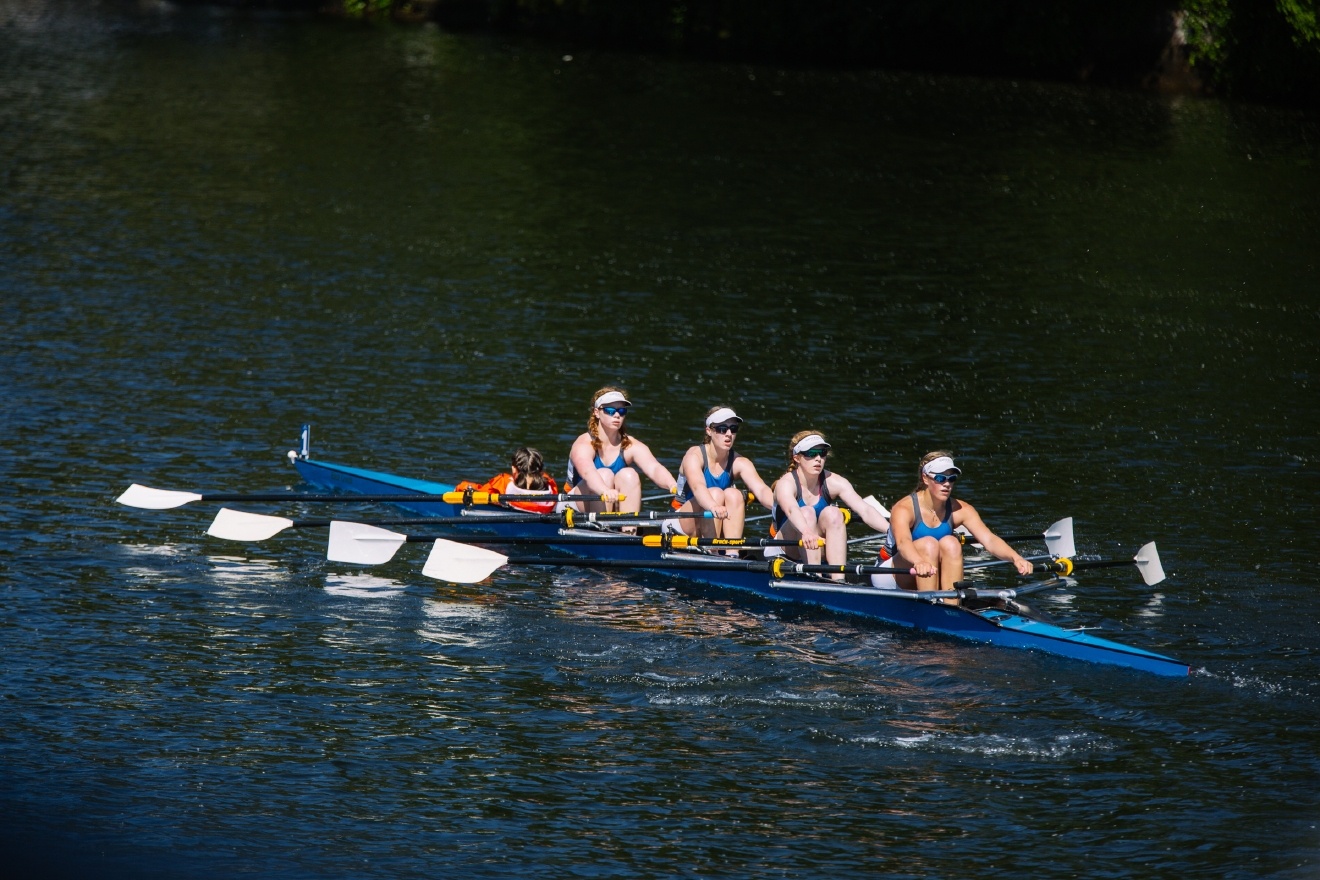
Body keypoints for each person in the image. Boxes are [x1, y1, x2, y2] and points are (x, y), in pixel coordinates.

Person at [883, 451, 1033, 602]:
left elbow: (989, 539)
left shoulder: (961, 509)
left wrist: (1016, 558)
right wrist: (918, 561)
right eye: (940, 478)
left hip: (929, 572)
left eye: (951, 479)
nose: (947, 484)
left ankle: (952, 608)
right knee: (928, 544)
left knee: (952, 543)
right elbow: (903, 543)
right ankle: (929, 608)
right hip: (891, 575)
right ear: (925, 478)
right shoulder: (904, 508)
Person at [770, 431, 891, 580]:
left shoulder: (834, 481)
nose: (818, 459)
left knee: (834, 513)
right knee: (806, 513)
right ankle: (815, 577)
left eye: (822, 453)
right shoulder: (786, 483)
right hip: (783, 549)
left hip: (816, 546)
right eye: (811, 453)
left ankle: (838, 580)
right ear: (797, 458)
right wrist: (807, 531)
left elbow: (865, 510)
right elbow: (791, 509)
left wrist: (892, 531)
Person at [566, 387, 678, 514]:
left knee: (630, 475)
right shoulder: (583, 443)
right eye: (609, 410)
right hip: (573, 506)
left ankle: (629, 530)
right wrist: (604, 490)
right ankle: (600, 530)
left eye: (621, 410)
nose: (617, 415)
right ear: (596, 412)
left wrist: (672, 485)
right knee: (604, 474)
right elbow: (588, 473)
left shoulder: (630, 445)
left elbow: (654, 468)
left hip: (609, 504)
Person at [670, 406, 775, 541]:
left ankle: (732, 552)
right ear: (709, 431)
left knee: (734, 494)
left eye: (733, 428)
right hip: (680, 521)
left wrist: (787, 508)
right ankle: (712, 551)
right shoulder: (694, 455)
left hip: (714, 518)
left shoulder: (740, 462)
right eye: (722, 429)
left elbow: (761, 490)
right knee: (715, 493)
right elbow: (698, 487)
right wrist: (713, 506)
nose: (729, 434)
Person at [455, 447, 558, 514]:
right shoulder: (551, 489)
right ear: (540, 470)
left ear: (514, 468)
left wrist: (462, 487)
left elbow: (480, 493)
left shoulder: (502, 484)